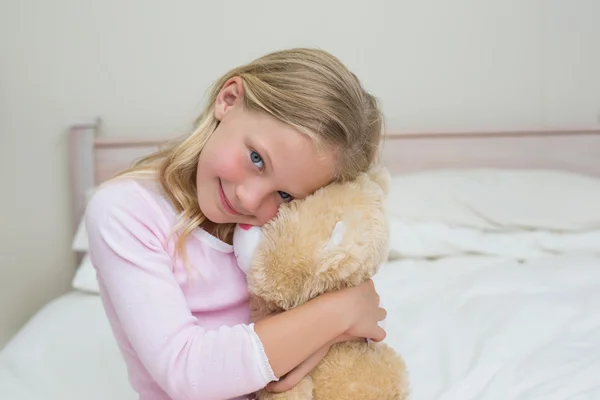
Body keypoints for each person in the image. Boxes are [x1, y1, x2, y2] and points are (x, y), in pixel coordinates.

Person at [85, 47, 387, 400]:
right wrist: (342, 311)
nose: (250, 199)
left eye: (285, 195)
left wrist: (330, 330)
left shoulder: (289, 230)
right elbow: (186, 372)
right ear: (228, 100)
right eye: (257, 159)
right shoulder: (126, 209)